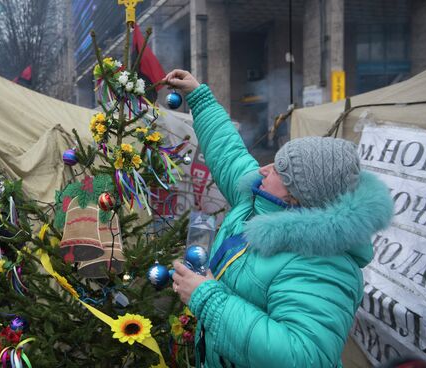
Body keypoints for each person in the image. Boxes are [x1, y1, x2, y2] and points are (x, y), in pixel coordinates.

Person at [165, 70, 394, 368]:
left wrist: (207, 299)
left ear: (296, 198)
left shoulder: (326, 266)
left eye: (278, 171)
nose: (264, 169)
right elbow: (229, 154)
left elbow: (304, 358)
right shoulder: (259, 199)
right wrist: (199, 96)